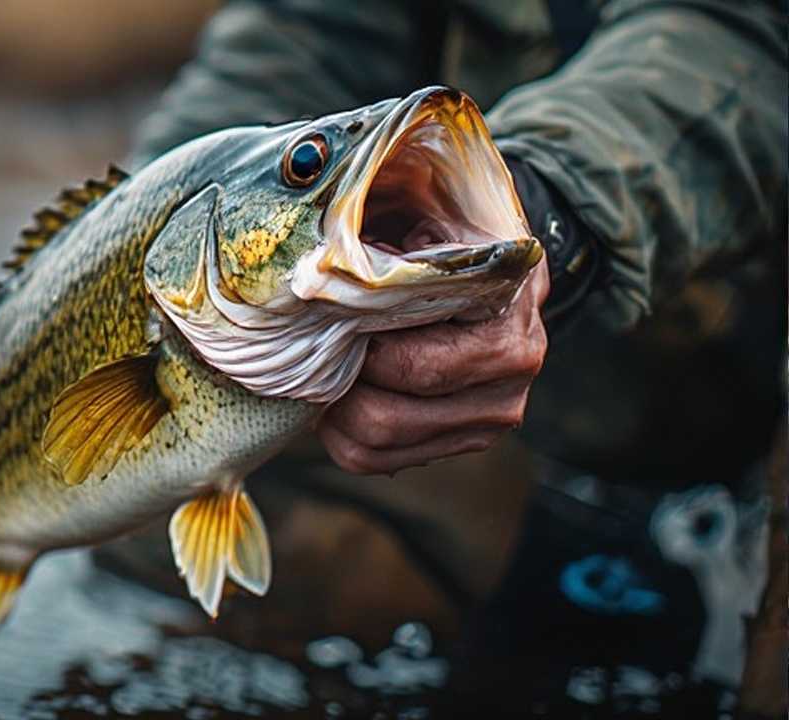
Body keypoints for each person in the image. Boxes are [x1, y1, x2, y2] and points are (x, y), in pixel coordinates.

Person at [115, 0, 787, 714]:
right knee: (146, 512)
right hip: (539, 430)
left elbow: (750, 41)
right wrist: (133, 251)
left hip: (740, 402)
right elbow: (300, 37)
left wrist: (548, 201)